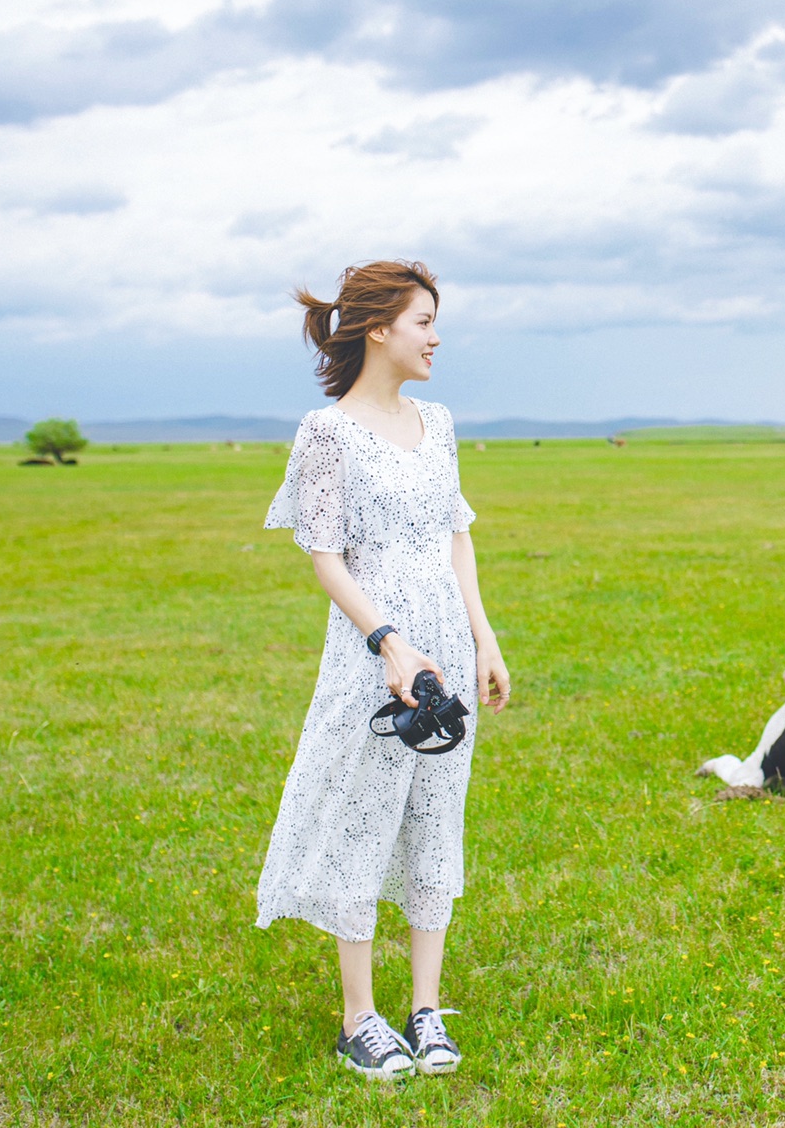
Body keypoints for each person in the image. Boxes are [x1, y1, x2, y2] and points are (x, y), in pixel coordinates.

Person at [256, 260, 510, 1080]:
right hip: (373, 653)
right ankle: (358, 1018)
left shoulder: (438, 423)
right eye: (423, 321)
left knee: (437, 813)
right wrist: (388, 642)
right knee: (362, 821)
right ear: (379, 330)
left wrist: (482, 638)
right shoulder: (326, 433)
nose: (437, 337)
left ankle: (427, 1010)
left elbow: (457, 533)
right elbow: (327, 560)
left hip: (443, 644)